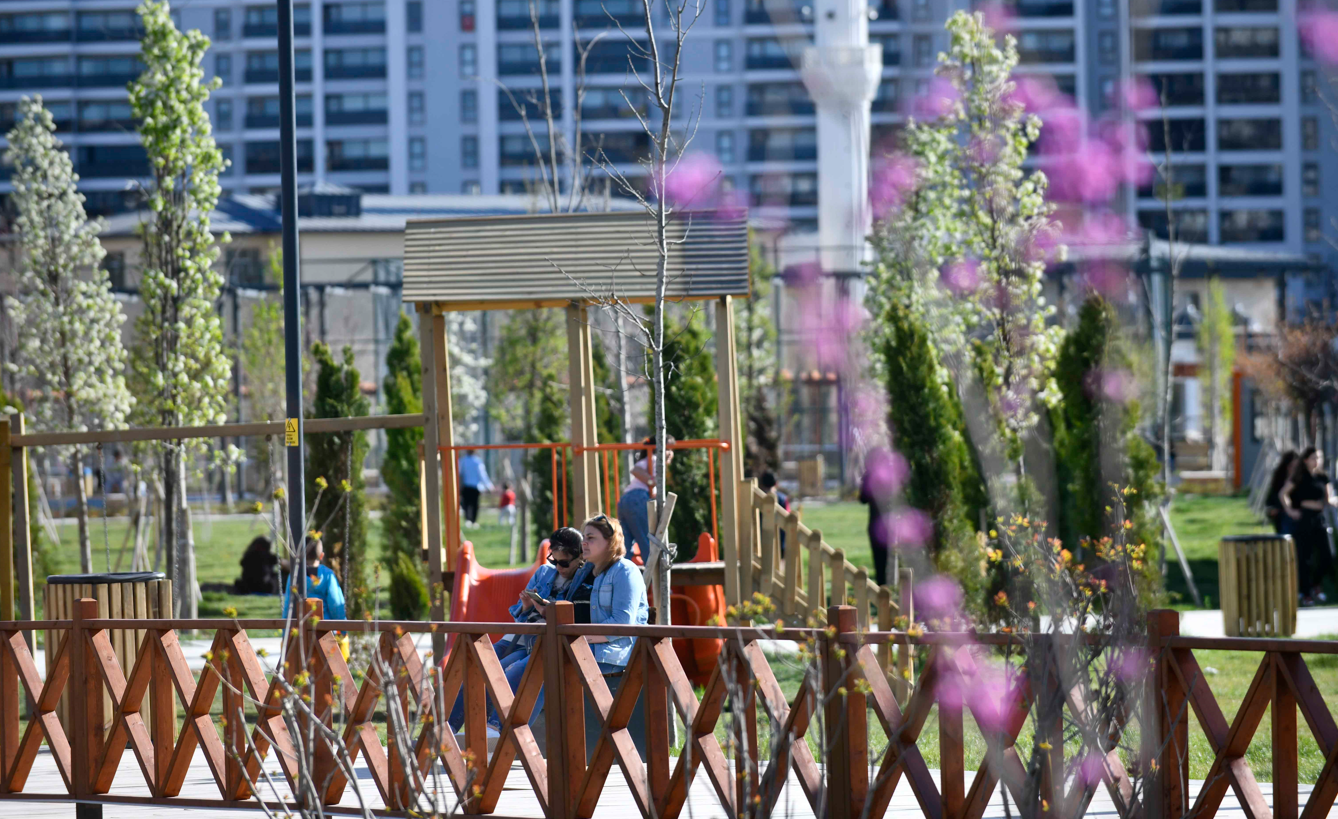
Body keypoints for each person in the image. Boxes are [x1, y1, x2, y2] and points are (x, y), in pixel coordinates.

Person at [491, 514, 647, 731]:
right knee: (530, 664)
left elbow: (622, 624)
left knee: (538, 664)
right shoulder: (596, 574)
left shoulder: (624, 570)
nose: (584, 543)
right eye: (584, 537)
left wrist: (577, 638)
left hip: (611, 652)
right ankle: (508, 731)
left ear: (610, 542)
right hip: (586, 648)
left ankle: (505, 731)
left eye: (591, 538)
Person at [449, 528, 587, 731]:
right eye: (553, 560)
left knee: (503, 670)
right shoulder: (543, 572)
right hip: (521, 633)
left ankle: (493, 731)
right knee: (477, 666)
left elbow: (572, 617)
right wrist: (526, 605)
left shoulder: (583, 578)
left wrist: (544, 610)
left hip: (539, 638)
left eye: (564, 562)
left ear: (579, 557)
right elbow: (517, 613)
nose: (558, 567)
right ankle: (448, 728)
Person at [1282, 446, 1337, 605]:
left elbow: (1328, 499)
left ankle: (1315, 585)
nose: (1317, 461)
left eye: (1318, 458)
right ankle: (1305, 593)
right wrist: (1290, 510)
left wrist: (1333, 502)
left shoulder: (1322, 477)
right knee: (1304, 558)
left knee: (1327, 557)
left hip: (1319, 520)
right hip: (1304, 520)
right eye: (1314, 457)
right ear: (1306, 460)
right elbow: (1283, 494)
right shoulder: (1299, 476)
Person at [616, 436, 675, 561]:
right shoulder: (654, 459)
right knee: (647, 538)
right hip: (638, 499)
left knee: (625, 542)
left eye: (672, 450)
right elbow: (636, 470)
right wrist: (651, 481)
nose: (670, 453)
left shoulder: (652, 461)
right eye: (668, 449)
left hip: (626, 499)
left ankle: (617, 570)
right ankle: (653, 575)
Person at [281, 535, 347, 622]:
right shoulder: (327, 575)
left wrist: (285, 631)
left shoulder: (294, 575)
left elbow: (288, 605)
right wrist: (342, 628)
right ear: (321, 556)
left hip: (300, 627)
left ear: (301, 555)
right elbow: (335, 603)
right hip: (325, 627)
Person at [859, 468, 891, 587]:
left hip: (875, 523)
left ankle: (881, 586)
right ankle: (888, 586)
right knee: (889, 558)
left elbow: (862, 499)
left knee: (879, 560)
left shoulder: (869, 476)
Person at [1264, 450, 1300, 535]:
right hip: (1283, 520)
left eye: (1297, 467)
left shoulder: (1303, 481)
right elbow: (1269, 504)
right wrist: (1273, 510)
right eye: (1291, 466)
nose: (1293, 470)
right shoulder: (1278, 483)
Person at [458, 449, 493, 528]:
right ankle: (472, 521)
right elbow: (482, 475)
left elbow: (459, 472)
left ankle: (469, 520)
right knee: (473, 505)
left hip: (467, 486)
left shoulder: (463, 460)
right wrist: (489, 486)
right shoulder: (477, 461)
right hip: (474, 487)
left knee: (467, 504)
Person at [760, 470, 789, 554]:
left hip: (762, 537)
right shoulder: (783, 498)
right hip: (781, 538)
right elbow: (788, 516)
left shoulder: (759, 498)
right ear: (776, 483)